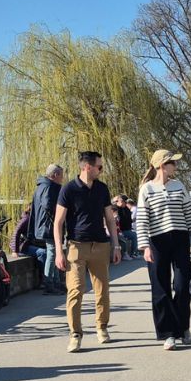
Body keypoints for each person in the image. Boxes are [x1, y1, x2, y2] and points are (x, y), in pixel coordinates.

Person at [136, 150, 191, 351]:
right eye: (173, 162)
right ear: (162, 165)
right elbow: (142, 219)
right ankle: (168, 334)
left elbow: (190, 215)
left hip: (180, 239)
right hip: (157, 242)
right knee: (160, 288)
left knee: (182, 286)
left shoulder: (179, 186)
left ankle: (183, 327)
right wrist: (144, 246)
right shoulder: (147, 189)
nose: (176, 165)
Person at [54, 151, 122, 352]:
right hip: (76, 246)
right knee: (75, 290)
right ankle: (75, 334)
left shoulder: (102, 188)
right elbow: (58, 223)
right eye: (99, 166)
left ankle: (102, 327)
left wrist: (116, 245)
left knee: (102, 290)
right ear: (87, 167)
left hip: (100, 246)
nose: (101, 170)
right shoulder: (69, 189)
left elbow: (110, 219)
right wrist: (59, 251)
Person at [33, 164, 65, 294]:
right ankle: (49, 284)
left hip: (46, 225)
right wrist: (60, 215)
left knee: (55, 253)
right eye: (61, 175)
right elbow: (48, 205)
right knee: (52, 254)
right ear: (55, 175)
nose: (62, 178)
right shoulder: (48, 187)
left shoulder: (43, 186)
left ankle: (56, 282)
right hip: (49, 226)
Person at [12, 204, 48, 271]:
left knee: (50, 251)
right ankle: (44, 275)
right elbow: (16, 233)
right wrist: (15, 251)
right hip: (23, 246)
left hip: (29, 243)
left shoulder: (34, 219)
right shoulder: (26, 219)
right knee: (43, 252)